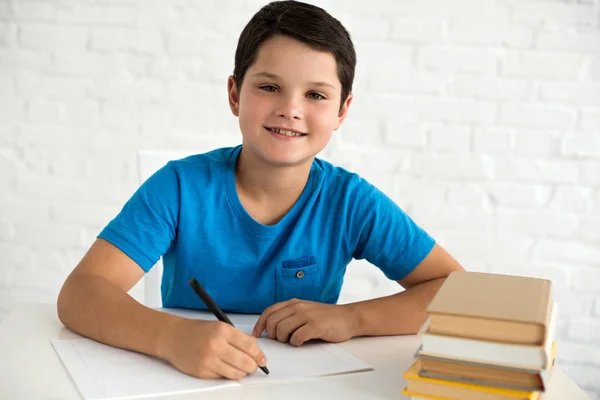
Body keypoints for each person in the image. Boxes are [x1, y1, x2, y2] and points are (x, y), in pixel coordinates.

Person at [57, 0, 465, 382]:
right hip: (184, 380)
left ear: (342, 111)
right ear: (235, 94)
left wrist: (352, 319)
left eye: (316, 95)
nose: (291, 108)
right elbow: (81, 293)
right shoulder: (180, 187)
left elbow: (459, 292)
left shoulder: (351, 202)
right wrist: (170, 337)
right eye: (269, 87)